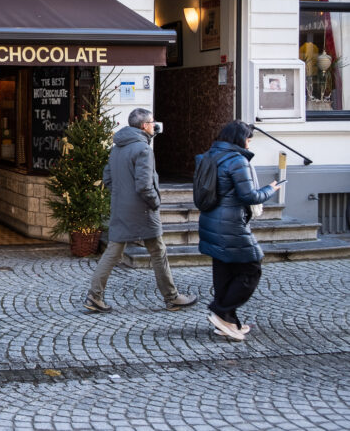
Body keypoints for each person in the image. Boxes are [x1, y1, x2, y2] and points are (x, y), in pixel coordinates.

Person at [84, 108, 199, 313]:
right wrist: (155, 203)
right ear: (145, 126)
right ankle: (172, 297)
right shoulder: (143, 149)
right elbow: (145, 186)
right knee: (158, 251)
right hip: (143, 210)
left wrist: (122, 196)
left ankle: (95, 296)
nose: (155, 125)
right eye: (152, 122)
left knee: (113, 252)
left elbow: (108, 178)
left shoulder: (117, 147)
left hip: (120, 208)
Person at [198, 120, 282, 341]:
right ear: (239, 139)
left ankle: (227, 321)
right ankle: (221, 310)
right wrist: (270, 189)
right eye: (248, 139)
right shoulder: (236, 160)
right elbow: (249, 196)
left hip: (211, 220)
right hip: (231, 224)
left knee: (225, 271)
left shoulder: (210, 155)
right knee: (251, 268)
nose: (249, 143)